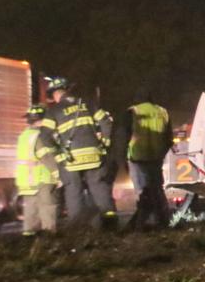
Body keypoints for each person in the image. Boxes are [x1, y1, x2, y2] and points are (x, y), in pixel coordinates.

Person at [39, 76, 117, 229]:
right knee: (99, 188)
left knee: (73, 191)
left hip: (71, 160)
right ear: (67, 90)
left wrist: (59, 155)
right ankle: (110, 224)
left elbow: (45, 136)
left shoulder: (54, 110)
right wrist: (105, 144)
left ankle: (77, 228)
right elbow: (106, 122)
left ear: (55, 94)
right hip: (94, 155)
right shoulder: (87, 103)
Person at [121, 88, 173, 229]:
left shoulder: (133, 111)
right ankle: (162, 220)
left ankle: (141, 223)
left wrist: (124, 158)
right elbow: (169, 138)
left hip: (137, 157)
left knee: (142, 191)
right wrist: (161, 152)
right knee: (157, 189)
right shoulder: (162, 112)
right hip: (156, 157)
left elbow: (125, 137)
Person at [16, 105, 59, 236]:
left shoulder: (24, 135)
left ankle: (28, 237)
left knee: (30, 210)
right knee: (48, 208)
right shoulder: (40, 135)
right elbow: (45, 156)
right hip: (42, 177)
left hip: (26, 179)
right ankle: (49, 237)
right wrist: (57, 174)